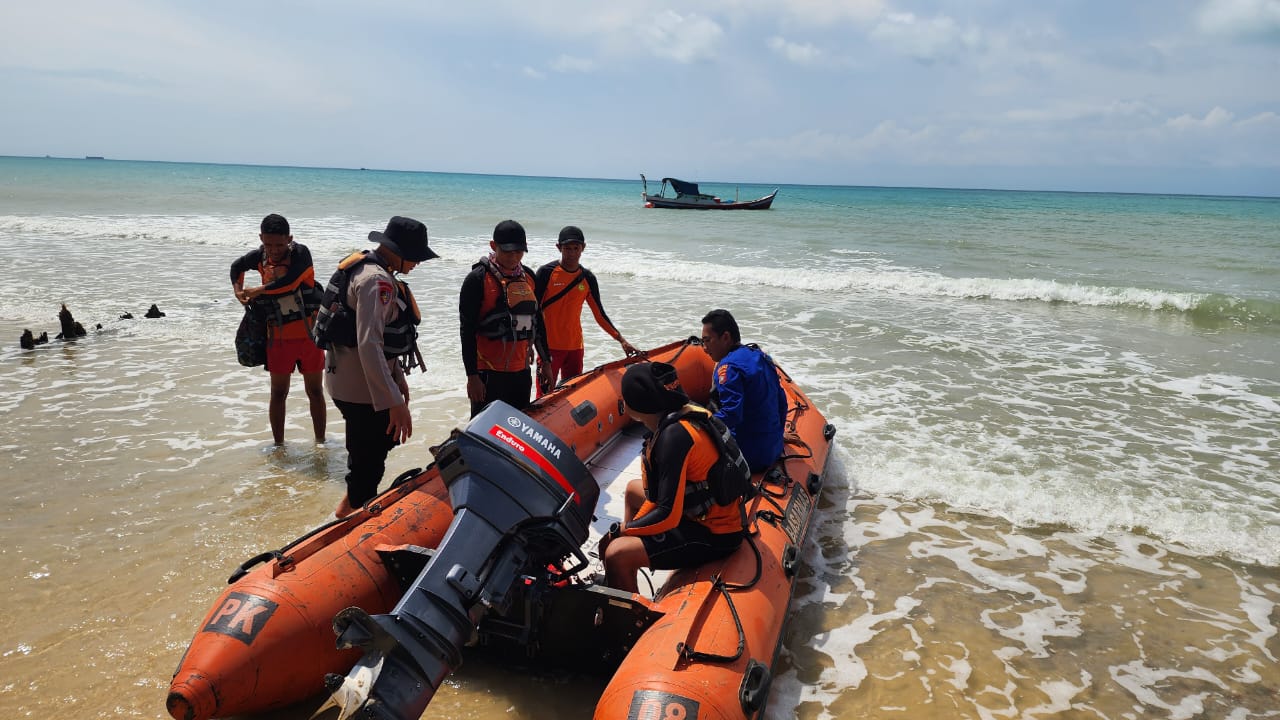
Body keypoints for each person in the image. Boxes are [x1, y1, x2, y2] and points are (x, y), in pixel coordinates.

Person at [318, 216, 437, 517]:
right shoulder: (378, 281)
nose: (418, 263)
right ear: (397, 251)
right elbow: (370, 344)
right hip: (362, 391)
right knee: (367, 470)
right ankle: (346, 529)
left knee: (366, 462)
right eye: (415, 256)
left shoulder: (364, 268)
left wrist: (398, 378)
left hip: (346, 380)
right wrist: (393, 401)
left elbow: (377, 344)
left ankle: (345, 514)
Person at [599, 361, 751, 594]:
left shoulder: (674, 437)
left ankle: (628, 615)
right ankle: (627, 574)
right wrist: (629, 529)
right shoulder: (677, 417)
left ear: (639, 405)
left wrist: (622, 531)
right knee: (632, 490)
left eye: (625, 396)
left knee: (615, 553)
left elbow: (668, 515)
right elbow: (658, 498)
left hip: (716, 533)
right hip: (697, 513)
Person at [230, 213, 326, 445]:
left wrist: (258, 290)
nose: (274, 250)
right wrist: (238, 290)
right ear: (261, 238)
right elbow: (236, 267)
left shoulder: (301, 254)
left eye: (280, 244)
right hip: (278, 339)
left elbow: (290, 282)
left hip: (309, 338)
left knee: (314, 392)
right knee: (278, 394)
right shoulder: (260, 257)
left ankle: (320, 442)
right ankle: (278, 445)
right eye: (268, 244)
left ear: (289, 239)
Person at [459, 219, 551, 417]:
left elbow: (538, 323)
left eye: (519, 252)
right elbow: (466, 330)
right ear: (494, 246)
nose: (513, 257)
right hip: (488, 374)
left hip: (521, 373)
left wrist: (546, 362)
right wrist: (472, 376)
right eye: (508, 251)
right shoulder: (477, 279)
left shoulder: (529, 277)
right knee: (485, 431)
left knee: (517, 429)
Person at [534, 225, 637, 395]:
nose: (572, 253)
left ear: (583, 248)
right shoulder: (546, 273)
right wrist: (530, 345)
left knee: (572, 394)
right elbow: (533, 313)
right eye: (567, 248)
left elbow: (599, 314)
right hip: (549, 349)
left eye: (576, 248)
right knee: (544, 398)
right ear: (558, 248)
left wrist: (621, 340)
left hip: (575, 347)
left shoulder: (587, 278)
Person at [699, 309, 787, 472]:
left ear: (725, 337)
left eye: (707, 340)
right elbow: (782, 401)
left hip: (750, 456)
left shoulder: (728, 368)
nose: (704, 347)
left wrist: (698, 426)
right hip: (774, 448)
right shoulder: (760, 356)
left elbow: (732, 414)